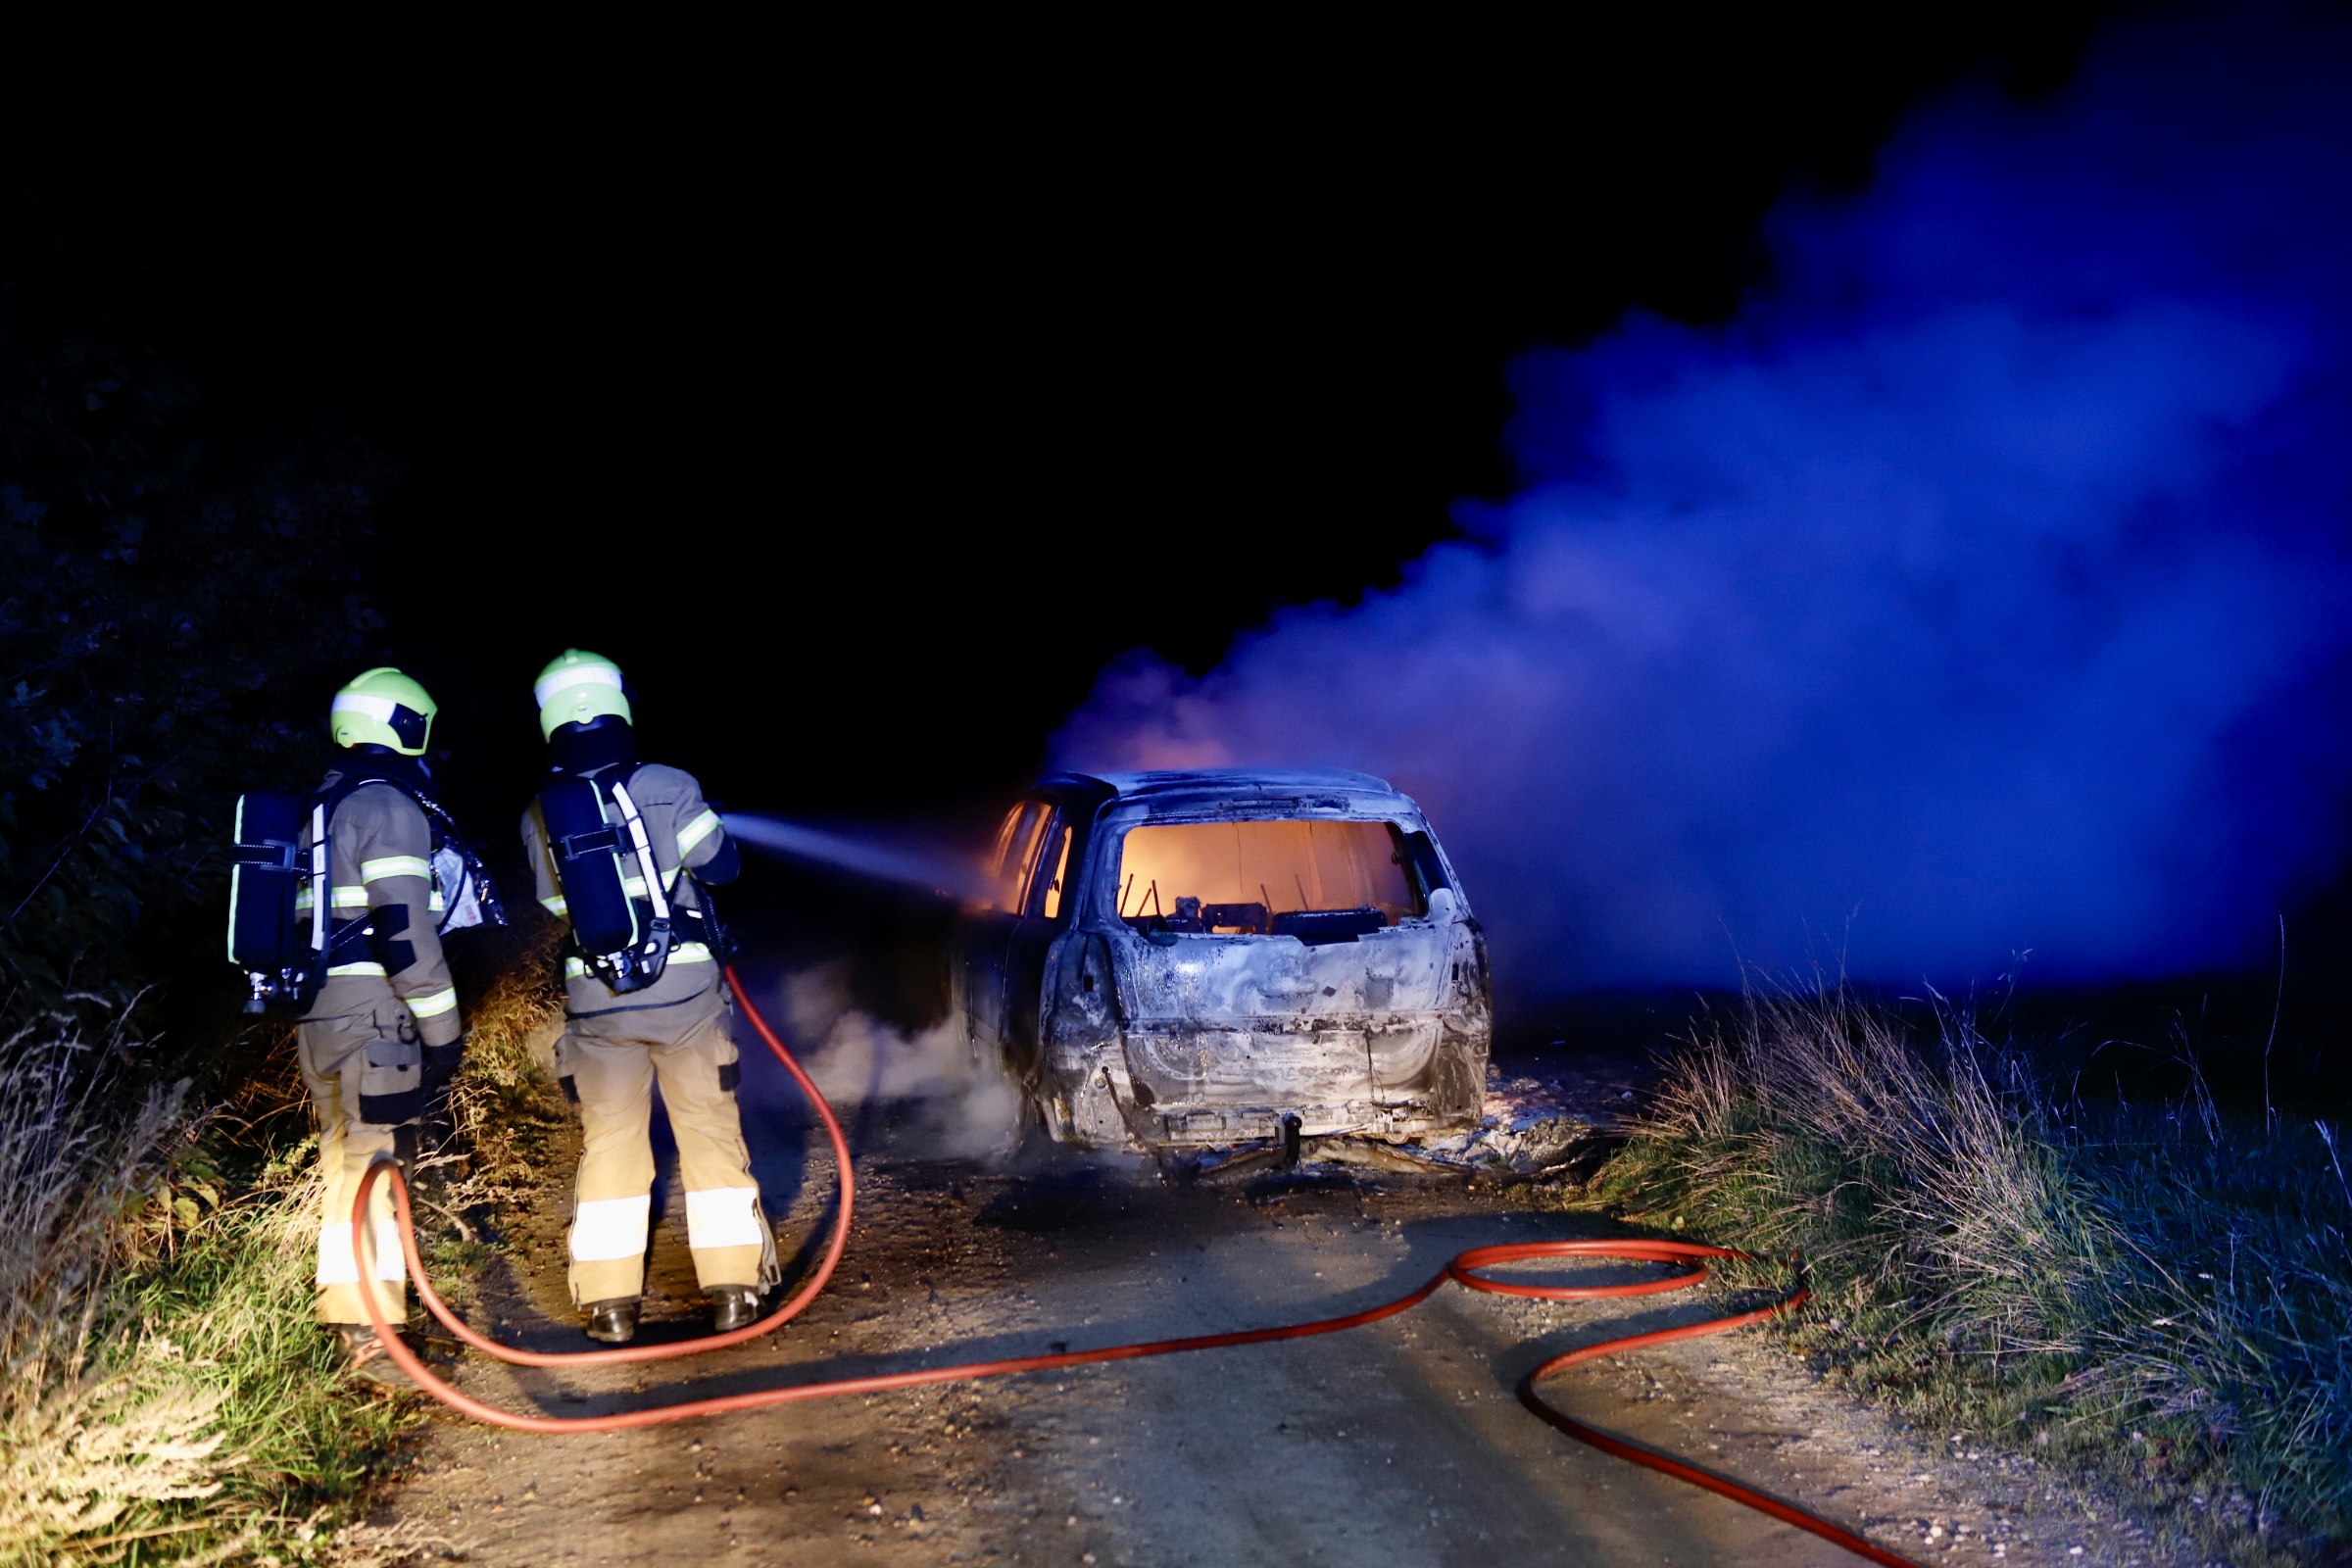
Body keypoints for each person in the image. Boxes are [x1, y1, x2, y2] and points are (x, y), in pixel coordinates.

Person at [521, 649, 774, 1343]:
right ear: (619, 704)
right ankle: (731, 1292)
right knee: (709, 1137)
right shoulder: (667, 783)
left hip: (597, 1005)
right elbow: (722, 866)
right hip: (685, 996)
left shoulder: (541, 813)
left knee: (610, 1145)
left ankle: (609, 1307)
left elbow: (552, 910)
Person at [298, 666, 468, 1386]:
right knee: (373, 1168)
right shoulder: (388, 807)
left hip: (317, 1011)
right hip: (375, 1013)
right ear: (404, 726)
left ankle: (354, 1324)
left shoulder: (315, 806)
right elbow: (403, 931)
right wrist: (443, 1029)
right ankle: (375, 1341)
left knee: (345, 1169)